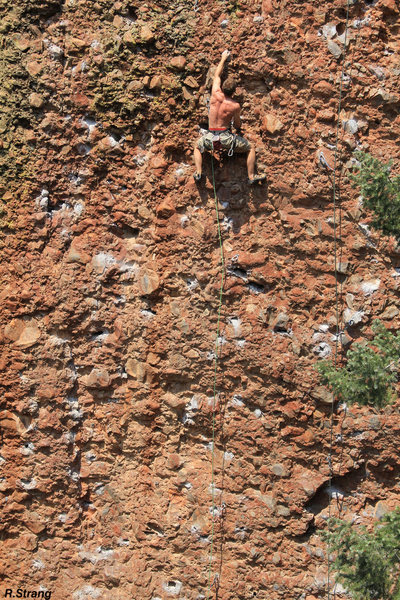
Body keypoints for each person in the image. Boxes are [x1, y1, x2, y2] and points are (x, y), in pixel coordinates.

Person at [193, 50, 266, 185]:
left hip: (210, 138)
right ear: (234, 92)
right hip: (225, 140)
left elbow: (216, 75)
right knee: (250, 148)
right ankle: (251, 176)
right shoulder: (234, 105)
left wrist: (223, 58)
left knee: (197, 147)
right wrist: (236, 126)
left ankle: (198, 173)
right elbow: (237, 125)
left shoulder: (215, 93)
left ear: (222, 88)